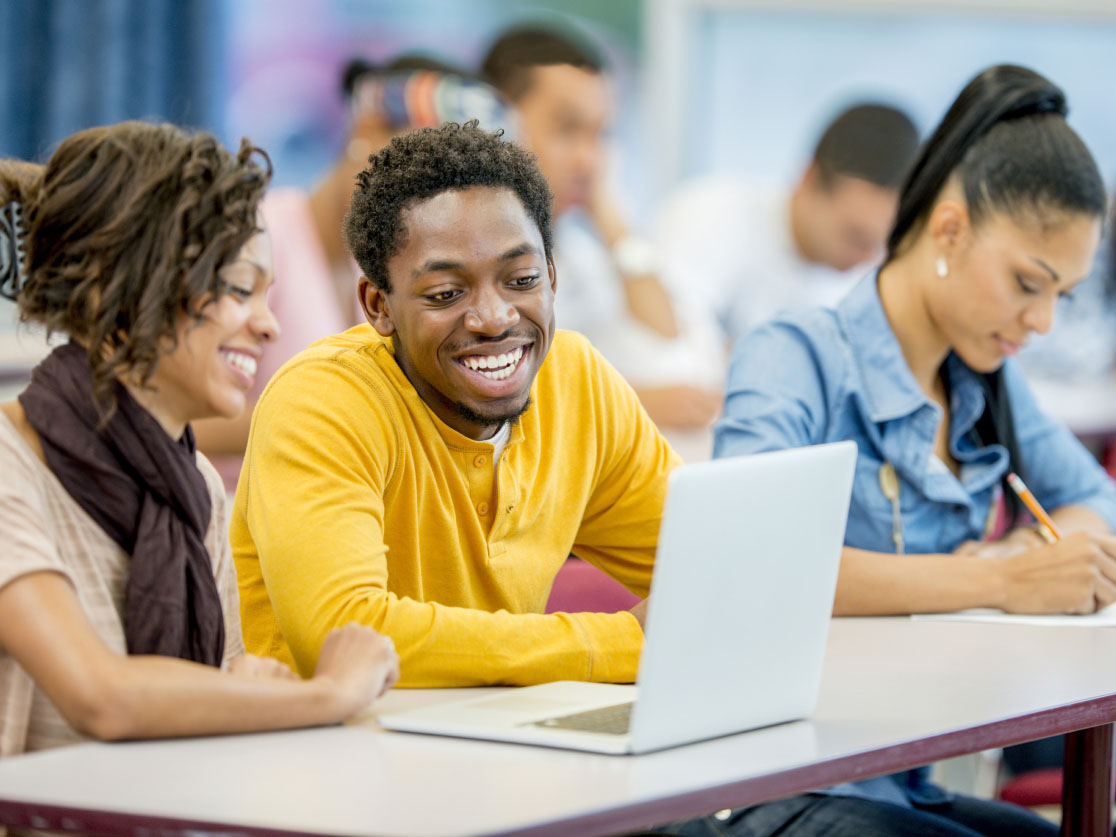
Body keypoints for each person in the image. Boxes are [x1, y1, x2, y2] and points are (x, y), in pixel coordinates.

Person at [707, 65, 1116, 836]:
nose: (1042, 322)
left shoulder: (983, 377)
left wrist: (1045, 551)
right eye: (1029, 283)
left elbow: (1098, 500)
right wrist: (994, 579)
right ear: (951, 229)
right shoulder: (796, 355)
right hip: (774, 786)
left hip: (899, 785)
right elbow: (751, 565)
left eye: (1061, 294)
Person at [0, 121, 398, 758]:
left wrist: (247, 690)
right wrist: (328, 692)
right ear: (121, 285)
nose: (268, 326)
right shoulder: (8, 463)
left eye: (266, 296)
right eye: (239, 289)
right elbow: (99, 696)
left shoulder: (199, 487)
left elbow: (221, 693)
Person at [232, 120, 677, 687]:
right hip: (336, 757)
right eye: (446, 294)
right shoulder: (321, 402)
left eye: (521, 280)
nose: (494, 318)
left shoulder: (577, 382)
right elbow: (343, 633)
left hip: (507, 747)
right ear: (377, 303)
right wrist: (616, 644)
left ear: (553, 277)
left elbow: (711, 561)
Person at [194, 55, 512, 494]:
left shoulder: (387, 274)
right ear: (367, 129)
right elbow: (169, 414)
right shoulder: (253, 236)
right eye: (423, 174)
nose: (431, 205)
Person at [481, 24, 722, 431]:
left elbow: (673, 344)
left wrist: (611, 218)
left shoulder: (577, 250)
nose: (588, 160)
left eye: (600, 134)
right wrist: (623, 402)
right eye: (568, 129)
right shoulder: (461, 252)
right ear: (493, 122)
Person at [658, 103, 919, 344]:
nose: (867, 259)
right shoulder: (711, 214)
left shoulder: (872, 285)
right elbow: (667, 344)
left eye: (880, 245)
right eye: (856, 238)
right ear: (809, 180)